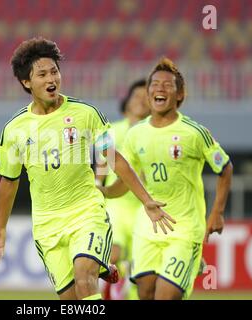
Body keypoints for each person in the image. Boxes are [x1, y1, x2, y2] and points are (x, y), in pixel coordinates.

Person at [0, 37, 175, 300]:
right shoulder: (15, 130)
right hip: (47, 225)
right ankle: (104, 266)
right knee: (70, 299)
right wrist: (0, 226)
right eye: (42, 74)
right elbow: (9, 181)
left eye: (55, 71)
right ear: (26, 82)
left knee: (85, 278)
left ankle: (98, 265)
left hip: (86, 212)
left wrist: (146, 200)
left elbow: (114, 159)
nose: (52, 79)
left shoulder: (86, 114)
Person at [99, 57, 233, 300]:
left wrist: (218, 212)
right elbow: (126, 180)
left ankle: (190, 261)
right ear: (149, 93)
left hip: (184, 228)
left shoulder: (195, 133)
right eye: (155, 84)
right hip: (147, 227)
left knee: (165, 296)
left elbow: (224, 168)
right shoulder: (135, 134)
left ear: (179, 95)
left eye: (167, 85)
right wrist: (105, 191)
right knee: (145, 293)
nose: (159, 88)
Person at [96, 79, 151, 300]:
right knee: (113, 254)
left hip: (142, 207)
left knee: (140, 265)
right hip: (116, 203)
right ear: (127, 101)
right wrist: (98, 185)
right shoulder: (113, 130)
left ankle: (128, 294)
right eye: (136, 95)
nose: (140, 100)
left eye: (145, 97)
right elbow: (102, 162)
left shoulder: (152, 133)